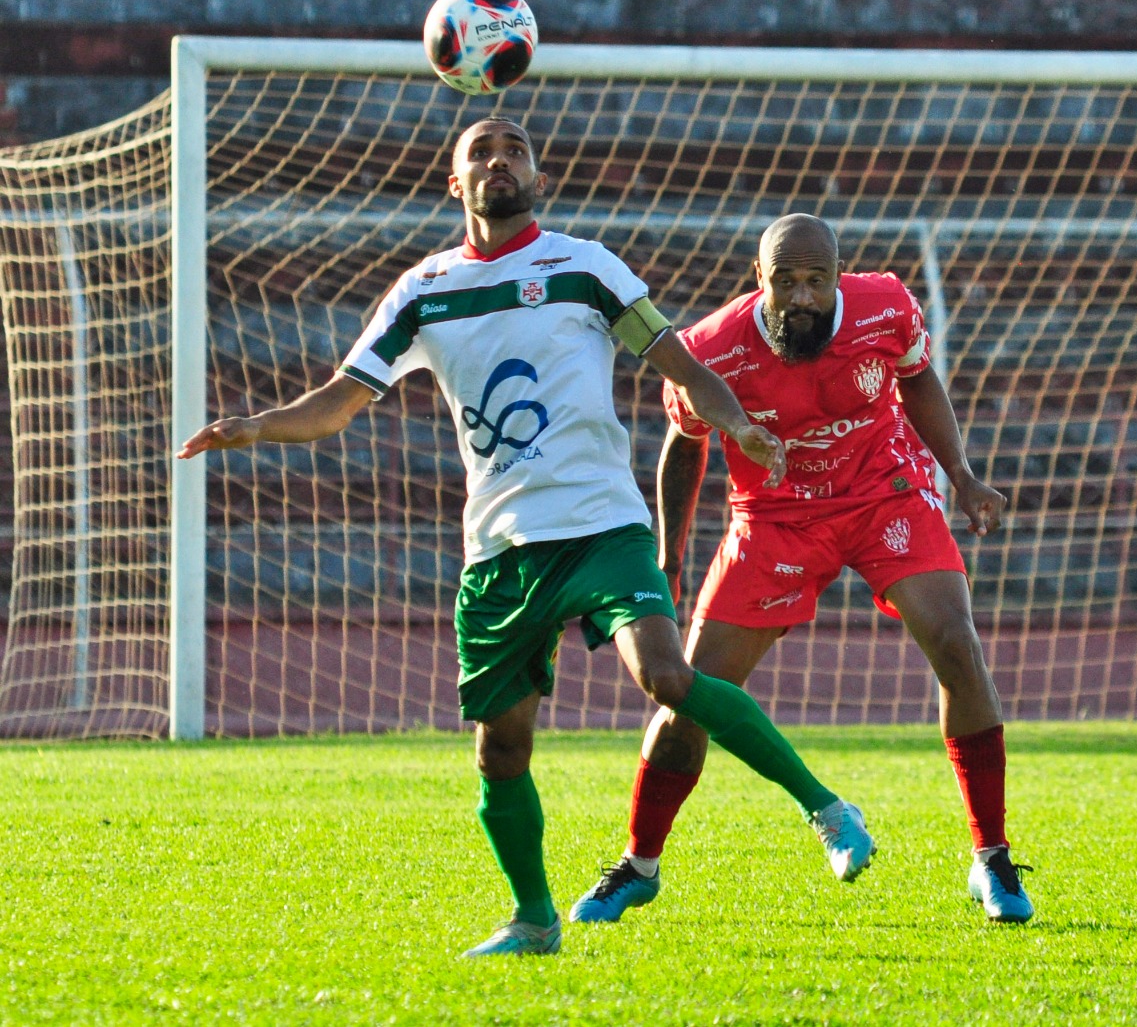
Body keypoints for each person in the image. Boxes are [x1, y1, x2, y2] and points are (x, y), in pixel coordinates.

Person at [177, 121, 874, 957]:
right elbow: (341, 398)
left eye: (514, 148)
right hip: (504, 546)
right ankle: (535, 920)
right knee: (501, 748)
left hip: (603, 523)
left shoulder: (586, 267)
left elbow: (681, 364)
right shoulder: (422, 291)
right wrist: (253, 427)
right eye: (481, 151)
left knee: (666, 675)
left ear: (538, 171)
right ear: (454, 181)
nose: (498, 160)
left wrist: (740, 427)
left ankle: (827, 809)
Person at [569, 213, 1034, 926]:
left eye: (817, 279)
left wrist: (963, 476)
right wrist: (668, 558)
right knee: (690, 692)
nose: (803, 296)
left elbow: (917, 381)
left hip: (885, 493)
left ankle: (992, 859)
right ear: (761, 280)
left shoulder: (886, 304)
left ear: (838, 275)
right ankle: (639, 864)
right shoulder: (710, 349)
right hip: (774, 516)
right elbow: (685, 445)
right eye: (785, 281)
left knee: (956, 642)